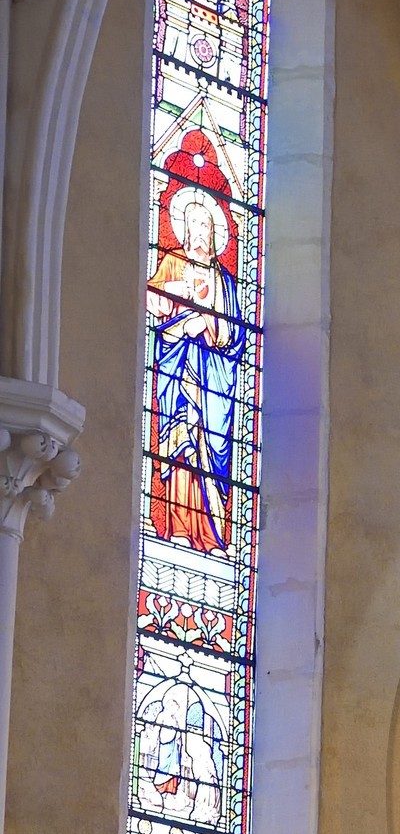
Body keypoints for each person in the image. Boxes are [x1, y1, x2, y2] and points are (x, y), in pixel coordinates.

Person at [146, 171, 244, 556]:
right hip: (179, 369)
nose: (200, 231)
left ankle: (211, 536)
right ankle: (178, 528)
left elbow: (234, 335)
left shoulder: (227, 283)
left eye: (206, 225)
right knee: (182, 443)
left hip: (214, 381)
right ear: (184, 230)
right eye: (194, 224)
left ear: (216, 235)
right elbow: (153, 303)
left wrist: (205, 321)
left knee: (210, 447)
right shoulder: (172, 263)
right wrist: (175, 293)